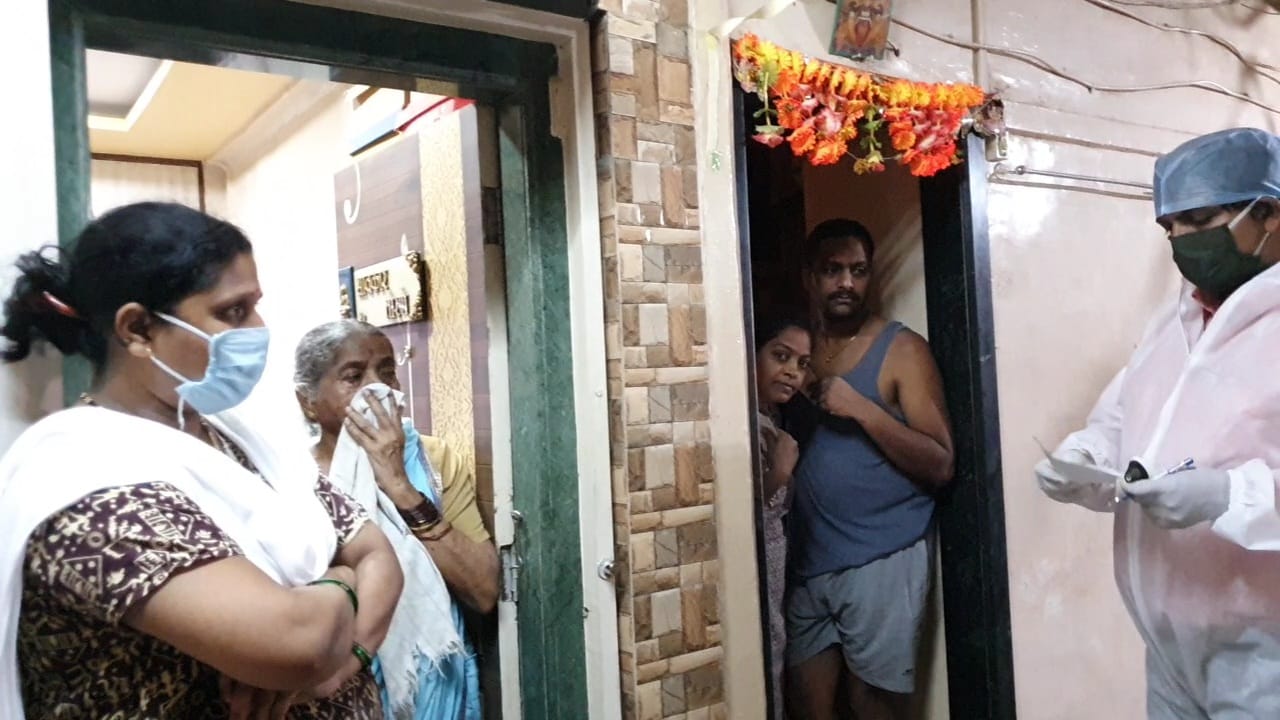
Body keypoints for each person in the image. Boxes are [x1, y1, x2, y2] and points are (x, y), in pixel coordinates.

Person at [0, 202, 404, 720]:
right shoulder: (87, 483)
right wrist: (341, 581)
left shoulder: (234, 441)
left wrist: (345, 661)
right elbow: (297, 642)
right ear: (139, 329)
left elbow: (377, 554)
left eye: (256, 306)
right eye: (233, 312)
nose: (259, 328)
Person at [1035, 127, 1280, 718]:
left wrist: (1229, 495)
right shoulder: (1172, 323)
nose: (1181, 242)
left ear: (1269, 212)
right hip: (1169, 640)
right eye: (1169, 227)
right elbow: (1124, 419)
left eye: (1198, 220)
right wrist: (1088, 458)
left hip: (1265, 649)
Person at [786, 218, 954, 720]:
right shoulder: (798, 348)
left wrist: (862, 409)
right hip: (808, 560)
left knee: (873, 708)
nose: (846, 283)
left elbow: (942, 463)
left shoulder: (903, 349)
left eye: (857, 271)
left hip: (882, 557)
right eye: (832, 270)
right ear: (809, 277)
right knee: (809, 708)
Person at [294, 320, 500, 720]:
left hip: (434, 685)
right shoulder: (291, 480)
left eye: (387, 372)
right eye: (354, 377)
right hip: (334, 687)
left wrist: (399, 484)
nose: (378, 389)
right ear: (308, 402)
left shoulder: (432, 460)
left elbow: (483, 588)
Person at [752, 310, 811, 720]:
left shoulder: (774, 418)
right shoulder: (745, 425)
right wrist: (781, 470)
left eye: (802, 364)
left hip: (776, 566)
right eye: (780, 356)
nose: (792, 372)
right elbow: (744, 517)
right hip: (756, 568)